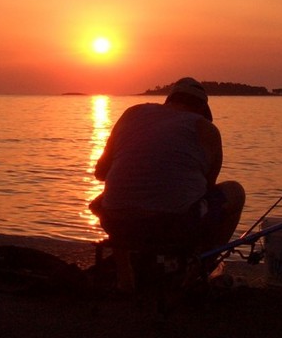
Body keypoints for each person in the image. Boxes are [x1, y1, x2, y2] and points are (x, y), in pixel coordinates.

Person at [91, 77, 245, 290]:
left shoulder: (132, 114)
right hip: (172, 226)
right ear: (201, 108)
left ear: (169, 100)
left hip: (117, 224)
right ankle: (199, 270)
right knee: (235, 192)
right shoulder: (206, 129)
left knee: (110, 198)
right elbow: (207, 188)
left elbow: (100, 173)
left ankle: (126, 277)